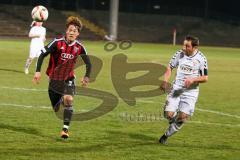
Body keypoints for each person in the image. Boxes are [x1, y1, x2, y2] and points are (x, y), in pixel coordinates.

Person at [32, 16, 92, 139]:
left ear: (78, 34)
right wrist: (38, 71)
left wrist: (86, 77)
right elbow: (42, 55)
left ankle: (65, 130)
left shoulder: (79, 47)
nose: (72, 32)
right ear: (66, 31)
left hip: (68, 78)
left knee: (69, 100)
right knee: (57, 108)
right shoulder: (57, 42)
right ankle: (59, 103)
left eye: (74, 31)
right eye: (70, 30)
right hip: (54, 80)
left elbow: (89, 63)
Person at [159, 35, 208, 144]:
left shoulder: (201, 59)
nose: (183, 47)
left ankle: (165, 136)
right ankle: (171, 117)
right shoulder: (179, 54)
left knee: (182, 117)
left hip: (191, 92)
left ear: (195, 47)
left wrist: (193, 80)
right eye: (184, 44)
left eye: (187, 46)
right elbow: (169, 67)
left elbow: (205, 78)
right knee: (168, 114)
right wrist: (165, 81)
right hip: (176, 89)